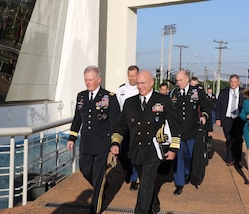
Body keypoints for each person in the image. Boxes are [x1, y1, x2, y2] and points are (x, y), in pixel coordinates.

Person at [110, 70, 181, 214]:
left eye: (143, 83)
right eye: (138, 83)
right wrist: (115, 142)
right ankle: (154, 203)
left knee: (146, 183)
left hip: (153, 151)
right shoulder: (130, 103)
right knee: (145, 182)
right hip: (136, 150)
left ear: (151, 83)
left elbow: (174, 125)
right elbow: (121, 125)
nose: (140, 86)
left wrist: (173, 148)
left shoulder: (163, 100)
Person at [67, 65, 120, 214]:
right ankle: (102, 185)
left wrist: (114, 143)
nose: (88, 83)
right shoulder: (81, 96)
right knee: (85, 169)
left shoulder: (109, 97)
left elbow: (115, 123)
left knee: (98, 176)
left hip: (102, 143)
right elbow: (78, 118)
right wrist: (72, 137)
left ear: (98, 80)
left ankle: (94, 209)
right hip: (86, 142)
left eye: (90, 80)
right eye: (86, 80)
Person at [169, 70, 211, 195]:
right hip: (177, 131)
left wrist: (204, 116)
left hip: (192, 130)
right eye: (177, 80)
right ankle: (179, 183)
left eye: (181, 80)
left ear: (187, 79)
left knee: (190, 155)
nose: (178, 82)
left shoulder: (196, 92)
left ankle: (187, 173)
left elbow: (206, 107)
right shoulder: (173, 93)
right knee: (178, 156)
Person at [116, 65, 140, 190]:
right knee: (122, 152)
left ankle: (134, 178)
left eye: (134, 76)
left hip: (137, 126)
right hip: (124, 126)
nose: (131, 78)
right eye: (130, 76)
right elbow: (118, 109)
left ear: (138, 75)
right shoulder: (121, 90)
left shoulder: (141, 89)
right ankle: (129, 169)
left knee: (135, 153)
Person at [215, 74, 245, 168]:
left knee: (238, 140)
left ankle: (237, 160)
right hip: (227, 119)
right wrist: (218, 118)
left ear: (238, 82)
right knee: (229, 139)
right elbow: (218, 106)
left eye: (235, 82)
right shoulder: (224, 92)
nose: (233, 83)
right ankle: (229, 159)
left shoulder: (243, 92)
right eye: (231, 82)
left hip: (239, 119)